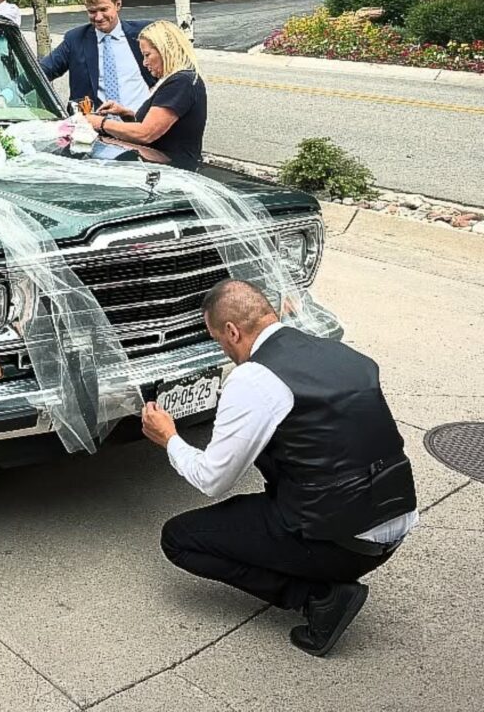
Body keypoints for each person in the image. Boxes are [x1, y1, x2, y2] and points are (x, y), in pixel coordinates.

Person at [142, 280, 419, 657]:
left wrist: (169, 438)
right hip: (394, 523)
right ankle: (318, 570)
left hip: (341, 542)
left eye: (217, 340)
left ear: (232, 331)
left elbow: (211, 479)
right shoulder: (339, 351)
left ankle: (319, 597)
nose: (222, 350)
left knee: (179, 538)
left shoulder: (254, 378)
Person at [84, 19, 206, 171]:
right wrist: (127, 114)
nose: (144, 63)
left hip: (171, 172)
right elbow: (164, 130)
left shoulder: (181, 82)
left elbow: (147, 133)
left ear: (165, 50)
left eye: (147, 55)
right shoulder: (175, 81)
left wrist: (100, 123)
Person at [37, 0, 152, 112]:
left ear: (118, 4)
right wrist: (8, 93)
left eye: (104, 9)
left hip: (139, 124)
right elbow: (41, 72)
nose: (98, 17)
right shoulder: (75, 40)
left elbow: (174, 67)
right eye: (92, 11)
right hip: (93, 128)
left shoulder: (144, 34)